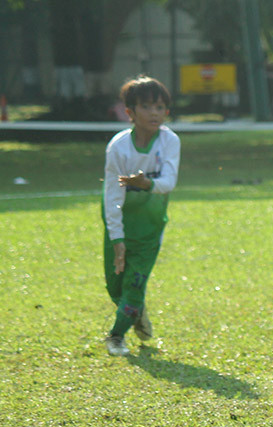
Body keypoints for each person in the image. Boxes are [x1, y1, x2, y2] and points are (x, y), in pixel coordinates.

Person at [101, 75, 180, 356]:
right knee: (116, 286)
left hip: (150, 226)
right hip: (121, 222)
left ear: (167, 111)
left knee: (135, 284)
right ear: (130, 113)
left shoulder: (169, 141)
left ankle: (115, 336)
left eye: (160, 107)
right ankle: (136, 311)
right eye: (147, 107)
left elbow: (169, 182)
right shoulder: (118, 147)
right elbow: (112, 195)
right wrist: (117, 238)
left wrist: (146, 184)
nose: (154, 113)